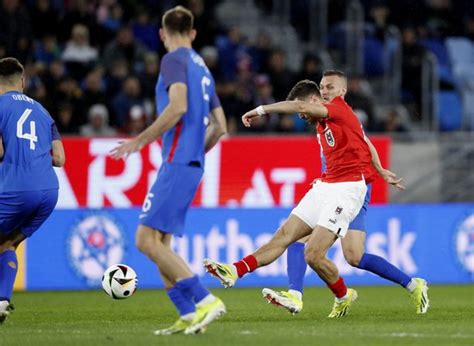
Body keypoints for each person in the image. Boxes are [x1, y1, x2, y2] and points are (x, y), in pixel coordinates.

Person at [204, 74, 428, 318]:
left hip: (350, 190)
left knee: (314, 252)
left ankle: (381, 289)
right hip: (329, 185)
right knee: (299, 240)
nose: (301, 115)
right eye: (322, 87)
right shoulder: (326, 121)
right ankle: (237, 271)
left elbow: (302, 107)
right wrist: (380, 168)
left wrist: (260, 109)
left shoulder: (336, 109)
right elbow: (366, 141)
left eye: (329, 87)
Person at [110, 6, 227, 335]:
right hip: (191, 163)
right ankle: (188, 315)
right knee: (160, 242)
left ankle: (205, 301)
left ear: (163, 34)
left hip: (177, 161)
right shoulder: (204, 69)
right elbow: (220, 127)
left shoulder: (173, 59)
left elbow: (178, 106)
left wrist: (141, 140)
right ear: (193, 33)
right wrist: (194, 153)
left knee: (145, 240)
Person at [0, 57, 65, 323]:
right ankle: (2, 300)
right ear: (23, 81)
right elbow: (60, 158)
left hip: (15, 189)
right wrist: (36, 155)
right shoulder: (43, 111)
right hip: (49, 191)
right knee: (6, 243)